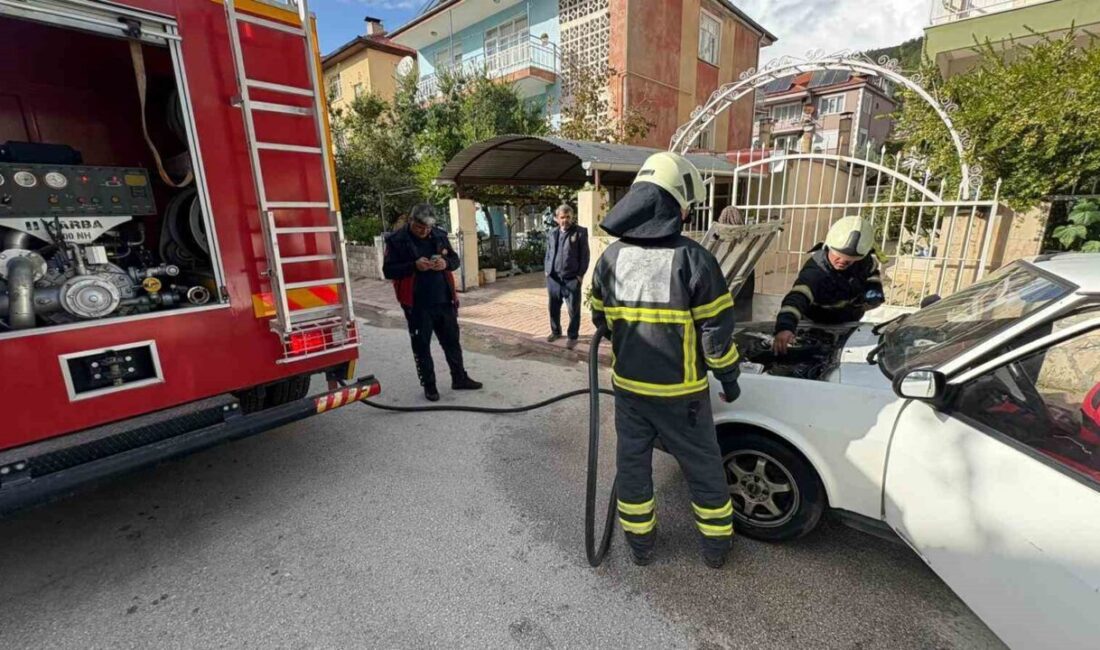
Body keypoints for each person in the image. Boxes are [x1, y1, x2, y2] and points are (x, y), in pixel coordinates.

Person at [590, 152, 741, 569]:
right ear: (675, 204)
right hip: (683, 395)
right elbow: (716, 337)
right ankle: (715, 549)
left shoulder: (610, 259)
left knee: (633, 467)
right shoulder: (695, 260)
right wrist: (730, 379)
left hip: (631, 391)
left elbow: (598, 315)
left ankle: (640, 547)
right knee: (703, 468)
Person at [382, 204, 482, 401]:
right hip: (417, 304)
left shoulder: (439, 235)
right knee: (422, 346)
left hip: (444, 300)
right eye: (421, 227)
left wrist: (446, 264)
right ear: (412, 221)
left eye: (428, 228)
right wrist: (414, 265)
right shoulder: (397, 240)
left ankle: (459, 378)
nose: (425, 231)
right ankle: (429, 385)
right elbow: (388, 271)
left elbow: (454, 259)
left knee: (452, 341)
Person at [772, 215, 885, 355]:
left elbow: (872, 273)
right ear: (828, 246)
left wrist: (873, 292)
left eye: (850, 260)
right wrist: (785, 327)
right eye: (838, 255)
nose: (843, 261)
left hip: (849, 324)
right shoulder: (816, 271)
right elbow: (797, 298)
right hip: (814, 325)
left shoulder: (864, 261)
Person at [544, 204, 590, 350]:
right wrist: (547, 270)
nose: (565, 220)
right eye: (562, 217)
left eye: (568, 217)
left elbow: (585, 256)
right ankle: (555, 331)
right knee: (553, 308)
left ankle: (572, 336)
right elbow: (548, 253)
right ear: (557, 219)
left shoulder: (580, 232)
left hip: (571, 279)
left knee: (574, 310)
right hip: (554, 278)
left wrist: (580, 276)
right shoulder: (552, 233)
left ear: (572, 217)